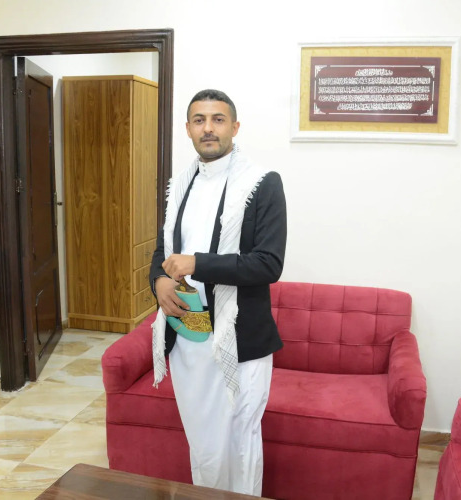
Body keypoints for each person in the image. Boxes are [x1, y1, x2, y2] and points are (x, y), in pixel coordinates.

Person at [149, 89, 287, 496]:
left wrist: (197, 263)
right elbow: (164, 250)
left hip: (240, 339)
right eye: (199, 120)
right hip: (188, 335)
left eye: (218, 119)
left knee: (241, 442)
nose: (208, 128)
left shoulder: (262, 183)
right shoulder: (180, 185)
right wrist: (159, 281)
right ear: (188, 129)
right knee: (205, 445)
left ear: (235, 127)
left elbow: (268, 264)